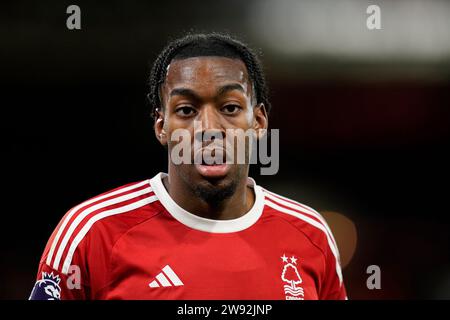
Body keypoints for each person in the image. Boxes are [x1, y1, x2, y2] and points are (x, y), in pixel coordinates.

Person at [30, 33, 347, 300]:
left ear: (259, 122)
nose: (208, 126)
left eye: (231, 107)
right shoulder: (92, 232)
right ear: (161, 125)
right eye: (185, 109)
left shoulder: (311, 234)